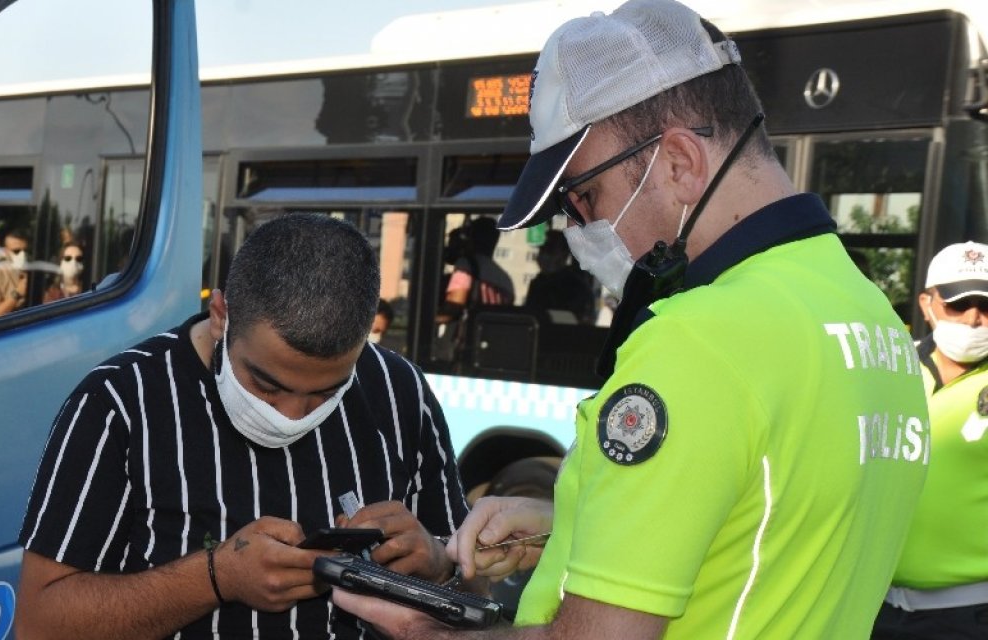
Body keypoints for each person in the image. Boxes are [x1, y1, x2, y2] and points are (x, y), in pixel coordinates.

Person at [334, 0, 929, 637]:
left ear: (679, 162)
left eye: (585, 194)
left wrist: (426, 632)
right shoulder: (871, 316)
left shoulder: (695, 340)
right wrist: (574, 523)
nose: (578, 227)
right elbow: (770, 527)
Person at [15, 213, 469, 639]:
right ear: (221, 317)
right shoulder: (120, 402)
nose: (292, 415)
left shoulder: (398, 390)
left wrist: (439, 564)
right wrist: (215, 577)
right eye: (267, 386)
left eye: (326, 393)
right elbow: (39, 623)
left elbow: (479, 598)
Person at [873, 241, 988, 638]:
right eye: (959, 303)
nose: (974, 318)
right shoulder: (888, 370)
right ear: (927, 304)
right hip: (873, 607)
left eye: (987, 306)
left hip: (970, 616)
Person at [524, 230, 595, 324]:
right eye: (542, 250)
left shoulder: (575, 287)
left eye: (550, 250)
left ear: (563, 255)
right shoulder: (538, 283)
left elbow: (578, 322)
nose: (543, 255)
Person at [445, 217, 515, 309]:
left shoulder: (466, 265)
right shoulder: (506, 280)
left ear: (471, 238)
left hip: (468, 323)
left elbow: (454, 306)